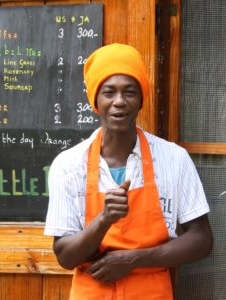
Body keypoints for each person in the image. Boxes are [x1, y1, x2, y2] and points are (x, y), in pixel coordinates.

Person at [44, 43, 213, 299]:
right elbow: (66, 257)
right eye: (109, 92)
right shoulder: (68, 165)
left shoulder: (173, 159)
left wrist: (134, 259)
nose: (119, 102)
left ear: (141, 99)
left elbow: (202, 240)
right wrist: (104, 220)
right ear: (95, 100)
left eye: (130, 92)